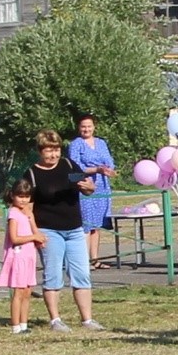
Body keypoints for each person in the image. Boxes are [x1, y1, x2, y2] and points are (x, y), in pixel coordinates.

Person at [26, 130, 101, 331]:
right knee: (53, 275)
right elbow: (27, 207)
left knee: (81, 274)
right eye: (49, 151)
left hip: (75, 229)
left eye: (56, 150)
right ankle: (55, 320)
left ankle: (87, 319)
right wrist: (35, 233)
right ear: (40, 152)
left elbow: (87, 186)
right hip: (48, 231)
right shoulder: (32, 174)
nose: (53, 155)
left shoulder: (68, 166)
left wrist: (88, 186)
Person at [67, 113, 116, 264]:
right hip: (86, 188)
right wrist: (95, 170)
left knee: (97, 224)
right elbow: (75, 168)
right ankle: (84, 261)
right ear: (79, 128)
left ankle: (95, 259)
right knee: (86, 224)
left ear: (94, 127)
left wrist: (109, 170)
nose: (86, 129)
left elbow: (109, 161)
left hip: (102, 187)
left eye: (89, 126)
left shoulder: (101, 143)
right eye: (83, 126)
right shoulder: (76, 144)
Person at [0, 179, 42, 334]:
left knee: (27, 292)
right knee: (18, 293)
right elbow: (15, 238)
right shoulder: (13, 214)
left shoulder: (26, 213)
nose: (24, 199)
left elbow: (35, 232)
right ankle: (16, 326)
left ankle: (24, 324)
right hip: (18, 257)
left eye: (27, 196)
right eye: (20, 196)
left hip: (29, 256)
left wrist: (37, 236)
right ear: (12, 196)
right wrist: (33, 238)